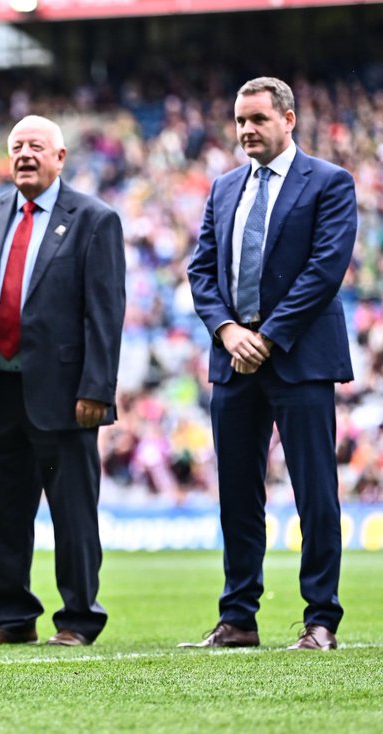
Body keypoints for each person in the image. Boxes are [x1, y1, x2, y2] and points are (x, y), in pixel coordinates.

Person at [0, 115, 126, 648]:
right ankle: (13, 617)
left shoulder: (95, 219)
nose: (24, 155)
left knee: (73, 512)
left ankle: (78, 619)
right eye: (17, 146)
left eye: (36, 147)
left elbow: (105, 313)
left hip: (65, 394)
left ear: (60, 157)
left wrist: (98, 388)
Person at [183, 77, 356, 651]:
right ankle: (238, 618)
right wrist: (230, 331)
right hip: (233, 361)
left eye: (257, 119)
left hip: (300, 360)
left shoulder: (330, 182)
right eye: (239, 121)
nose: (246, 131)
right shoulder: (223, 187)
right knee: (236, 492)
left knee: (314, 492)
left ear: (288, 119)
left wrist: (269, 335)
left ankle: (320, 619)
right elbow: (202, 272)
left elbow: (325, 270)